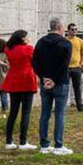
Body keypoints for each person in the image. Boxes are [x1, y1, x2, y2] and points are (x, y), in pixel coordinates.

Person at [32, 18, 74, 156]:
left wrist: (44, 78)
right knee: (60, 113)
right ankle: (58, 145)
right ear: (60, 27)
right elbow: (65, 64)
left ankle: (44, 144)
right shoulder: (65, 44)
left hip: (45, 83)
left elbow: (35, 63)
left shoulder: (40, 43)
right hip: (60, 82)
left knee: (45, 113)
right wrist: (54, 80)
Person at [0, 30, 38, 150]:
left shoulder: (9, 49)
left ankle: (9, 141)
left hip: (13, 81)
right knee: (25, 112)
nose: (29, 38)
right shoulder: (29, 49)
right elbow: (35, 62)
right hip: (27, 80)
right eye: (27, 37)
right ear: (22, 38)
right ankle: (23, 142)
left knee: (13, 112)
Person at [66, 23, 83, 112]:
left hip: (76, 68)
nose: (74, 31)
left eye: (75, 29)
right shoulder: (64, 40)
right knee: (64, 88)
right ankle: (62, 107)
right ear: (68, 31)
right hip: (66, 68)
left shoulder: (80, 41)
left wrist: (81, 63)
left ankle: (79, 106)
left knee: (77, 88)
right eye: (72, 29)